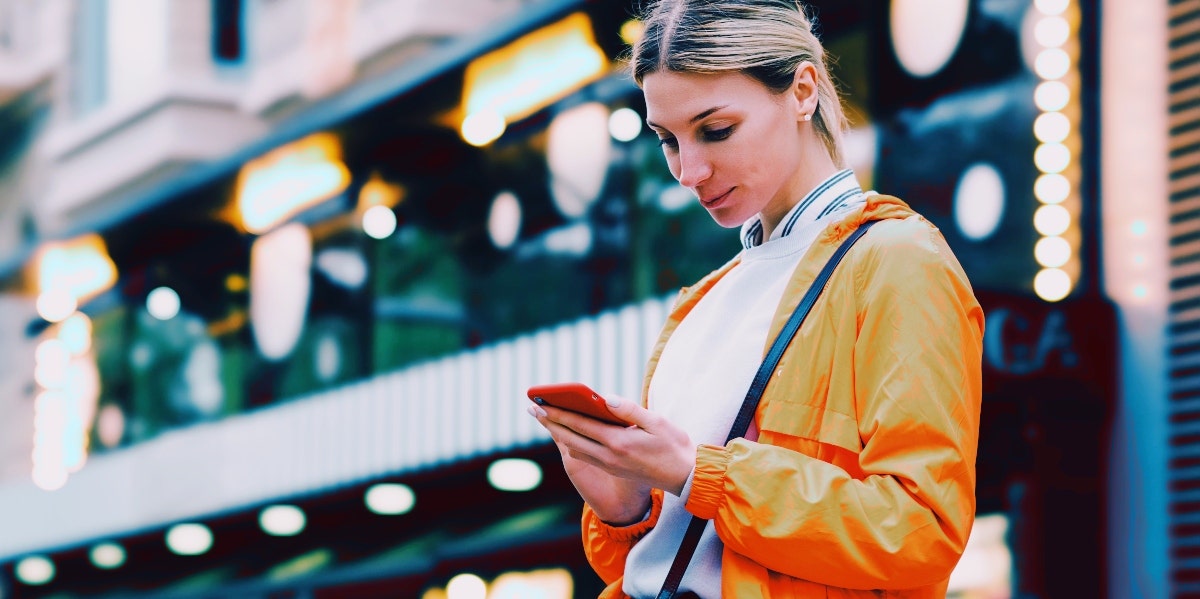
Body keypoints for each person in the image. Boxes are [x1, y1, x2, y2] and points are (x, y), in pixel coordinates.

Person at [527, 1, 985, 597]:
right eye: (667, 140)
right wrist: (624, 505)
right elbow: (661, 564)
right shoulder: (699, 304)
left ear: (801, 91)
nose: (688, 171)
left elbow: (921, 532)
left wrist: (695, 473)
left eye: (716, 130)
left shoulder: (897, 260)